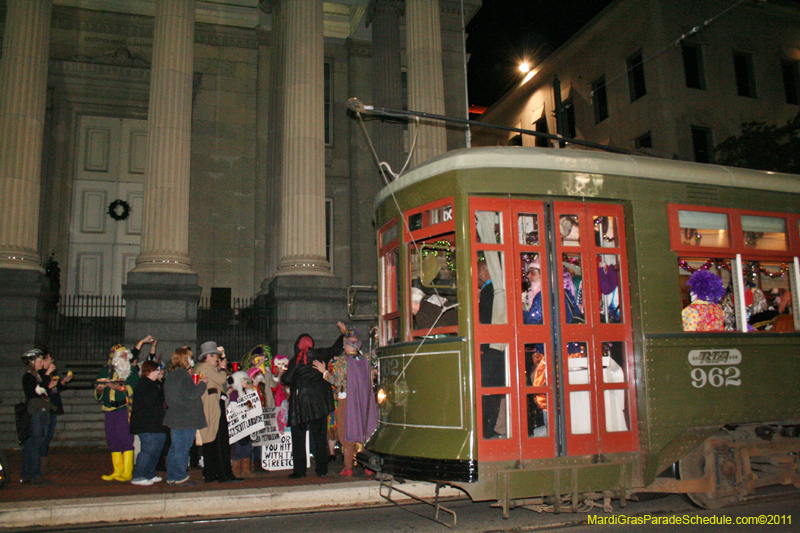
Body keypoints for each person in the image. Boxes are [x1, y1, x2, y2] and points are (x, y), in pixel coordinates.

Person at [281, 322, 345, 478]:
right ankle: (321, 469)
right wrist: (343, 334)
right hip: (318, 404)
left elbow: (286, 379)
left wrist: (283, 374)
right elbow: (336, 348)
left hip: (301, 404)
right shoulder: (321, 354)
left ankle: (299, 471)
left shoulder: (295, 361)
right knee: (319, 437)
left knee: (298, 439)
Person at [313, 326, 378, 477]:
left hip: (347, 401)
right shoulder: (365, 360)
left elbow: (337, 381)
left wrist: (324, 372)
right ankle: (369, 465)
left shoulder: (342, 362)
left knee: (346, 431)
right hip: (363, 400)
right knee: (364, 430)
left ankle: (348, 467)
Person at [195, 341, 240, 483]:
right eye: (216, 356)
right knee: (219, 440)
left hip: (214, 405)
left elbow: (223, 385)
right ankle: (222, 473)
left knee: (214, 441)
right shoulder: (205, 367)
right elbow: (221, 380)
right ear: (208, 356)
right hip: (212, 406)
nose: (218, 359)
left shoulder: (206, 368)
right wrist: (222, 368)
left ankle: (213, 473)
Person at [94, 344, 139, 482]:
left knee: (125, 438)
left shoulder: (131, 371)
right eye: (122, 355)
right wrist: (100, 389)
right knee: (112, 439)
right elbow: (98, 395)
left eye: (126, 355)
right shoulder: (105, 372)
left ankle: (127, 471)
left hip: (123, 409)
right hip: (109, 410)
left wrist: (119, 388)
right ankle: (117, 470)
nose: (125, 357)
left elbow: (135, 387)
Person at [163, 346, 207, 484]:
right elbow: (192, 394)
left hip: (176, 416)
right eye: (189, 357)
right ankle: (180, 476)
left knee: (176, 448)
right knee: (182, 448)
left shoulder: (172, 375)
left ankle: (172, 475)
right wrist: (202, 385)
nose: (191, 360)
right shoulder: (183, 376)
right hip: (185, 418)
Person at [129, 360, 167, 486]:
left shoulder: (154, 384)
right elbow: (151, 401)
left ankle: (149, 473)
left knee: (157, 449)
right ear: (150, 371)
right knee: (148, 449)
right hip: (145, 423)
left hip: (155, 423)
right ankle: (139, 475)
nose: (159, 373)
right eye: (157, 370)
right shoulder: (145, 384)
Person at [39, 350, 73, 474]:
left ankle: (43, 461)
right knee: (43, 436)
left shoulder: (48, 374)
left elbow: (54, 388)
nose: (51, 362)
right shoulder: (41, 374)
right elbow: (42, 390)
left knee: (47, 436)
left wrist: (63, 382)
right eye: (49, 359)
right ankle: (39, 463)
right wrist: (48, 375)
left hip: (52, 408)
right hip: (45, 409)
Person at [20, 349, 51, 484]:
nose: (41, 363)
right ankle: (35, 475)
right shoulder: (29, 377)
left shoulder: (37, 376)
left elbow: (44, 390)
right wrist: (47, 374)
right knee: (35, 443)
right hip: (35, 412)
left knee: (32, 443)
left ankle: (26, 473)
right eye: (39, 361)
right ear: (32, 363)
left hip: (40, 410)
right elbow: (37, 391)